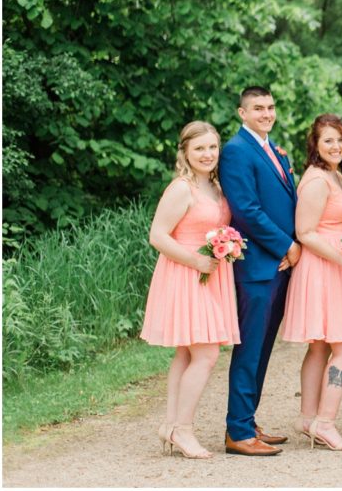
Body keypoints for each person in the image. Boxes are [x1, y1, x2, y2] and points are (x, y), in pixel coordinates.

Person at [141, 121, 240, 459]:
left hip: (211, 274)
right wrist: (196, 262)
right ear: (185, 152)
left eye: (212, 148)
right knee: (207, 353)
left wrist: (229, 246)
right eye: (199, 149)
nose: (207, 154)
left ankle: (171, 425)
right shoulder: (181, 188)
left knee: (186, 352)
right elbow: (158, 236)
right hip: (186, 273)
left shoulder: (215, 186)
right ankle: (184, 430)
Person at [281, 114, 342, 451]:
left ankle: (308, 418)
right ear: (315, 145)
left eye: (340, 140)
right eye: (328, 141)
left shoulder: (334, 175)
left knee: (320, 345)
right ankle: (326, 422)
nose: (336, 146)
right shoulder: (318, 180)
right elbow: (305, 232)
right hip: (325, 268)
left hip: (334, 264)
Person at [219, 86, 300, 456]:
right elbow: (247, 210)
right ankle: (237, 431)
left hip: (279, 265)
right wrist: (286, 245)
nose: (266, 113)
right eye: (257, 108)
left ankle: (248, 420)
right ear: (242, 113)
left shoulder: (273, 149)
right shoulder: (236, 151)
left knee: (264, 348)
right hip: (257, 266)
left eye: (270, 107)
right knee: (250, 347)